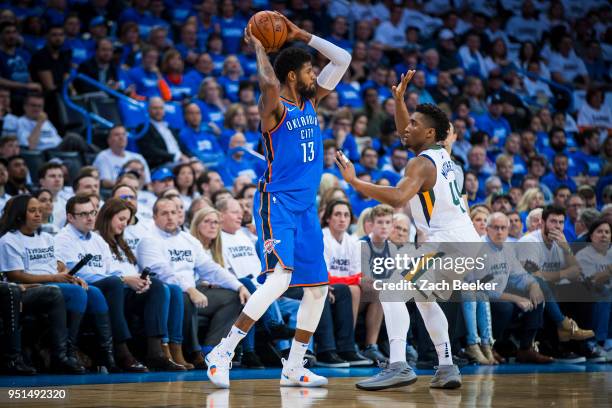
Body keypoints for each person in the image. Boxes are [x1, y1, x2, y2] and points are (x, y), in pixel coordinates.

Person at [206, 13, 351, 389]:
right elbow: (268, 81)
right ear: (292, 76)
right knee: (279, 280)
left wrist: (303, 35)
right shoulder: (274, 109)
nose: (313, 75)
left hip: (305, 209)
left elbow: (343, 60)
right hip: (277, 204)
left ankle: (294, 366)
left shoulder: (311, 100)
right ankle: (223, 352)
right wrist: (258, 45)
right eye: (307, 70)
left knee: (318, 289)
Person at [335, 70, 475, 390]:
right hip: (464, 241)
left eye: (413, 124)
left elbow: (398, 197)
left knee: (391, 288)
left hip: (449, 242)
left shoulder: (421, 164)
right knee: (423, 299)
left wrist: (356, 182)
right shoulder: (441, 155)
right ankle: (447, 367)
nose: (405, 128)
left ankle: (398, 365)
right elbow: (405, 134)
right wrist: (399, 100)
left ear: (428, 133)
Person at [138, 197, 249, 369]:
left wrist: (239, 286)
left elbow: (210, 268)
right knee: (183, 296)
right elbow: (162, 272)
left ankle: (211, 350)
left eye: (173, 213)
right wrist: (190, 289)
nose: (170, 217)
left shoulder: (187, 239)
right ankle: (190, 351)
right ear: (154, 217)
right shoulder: (148, 239)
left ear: (179, 215)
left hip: (193, 291)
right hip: (169, 293)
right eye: (164, 213)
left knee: (234, 297)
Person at [94, 198, 188, 371]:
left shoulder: (121, 243)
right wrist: (125, 280)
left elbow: (132, 272)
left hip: (127, 291)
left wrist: (142, 281)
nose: (124, 225)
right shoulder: (96, 240)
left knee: (157, 286)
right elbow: (100, 274)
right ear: (107, 217)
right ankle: (123, 353)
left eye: (126, 221)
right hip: (110, 291)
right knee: (115, 283)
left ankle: (156, 353)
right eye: (121, 219)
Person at [476, 212, 553, 363]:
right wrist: (516, 298)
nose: (499, 232)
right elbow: (483, 288)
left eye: (503, 228)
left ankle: (525, 349)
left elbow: (519, 275)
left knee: (537, 295)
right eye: (495, 228)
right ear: (487, 229)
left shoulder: (507, 248)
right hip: (480, 299)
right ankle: (490, 347)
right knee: (505, 307)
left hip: (501, 294)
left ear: (507, 229)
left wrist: (533, 285)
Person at [93, 125, 151, 189]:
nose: (121, 137)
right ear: (109, 140)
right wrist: (127, 185)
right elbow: (105, 182)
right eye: (117, 135)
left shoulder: (138, 157)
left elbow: (148, 183)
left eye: (124, 134)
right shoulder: (103, 157)